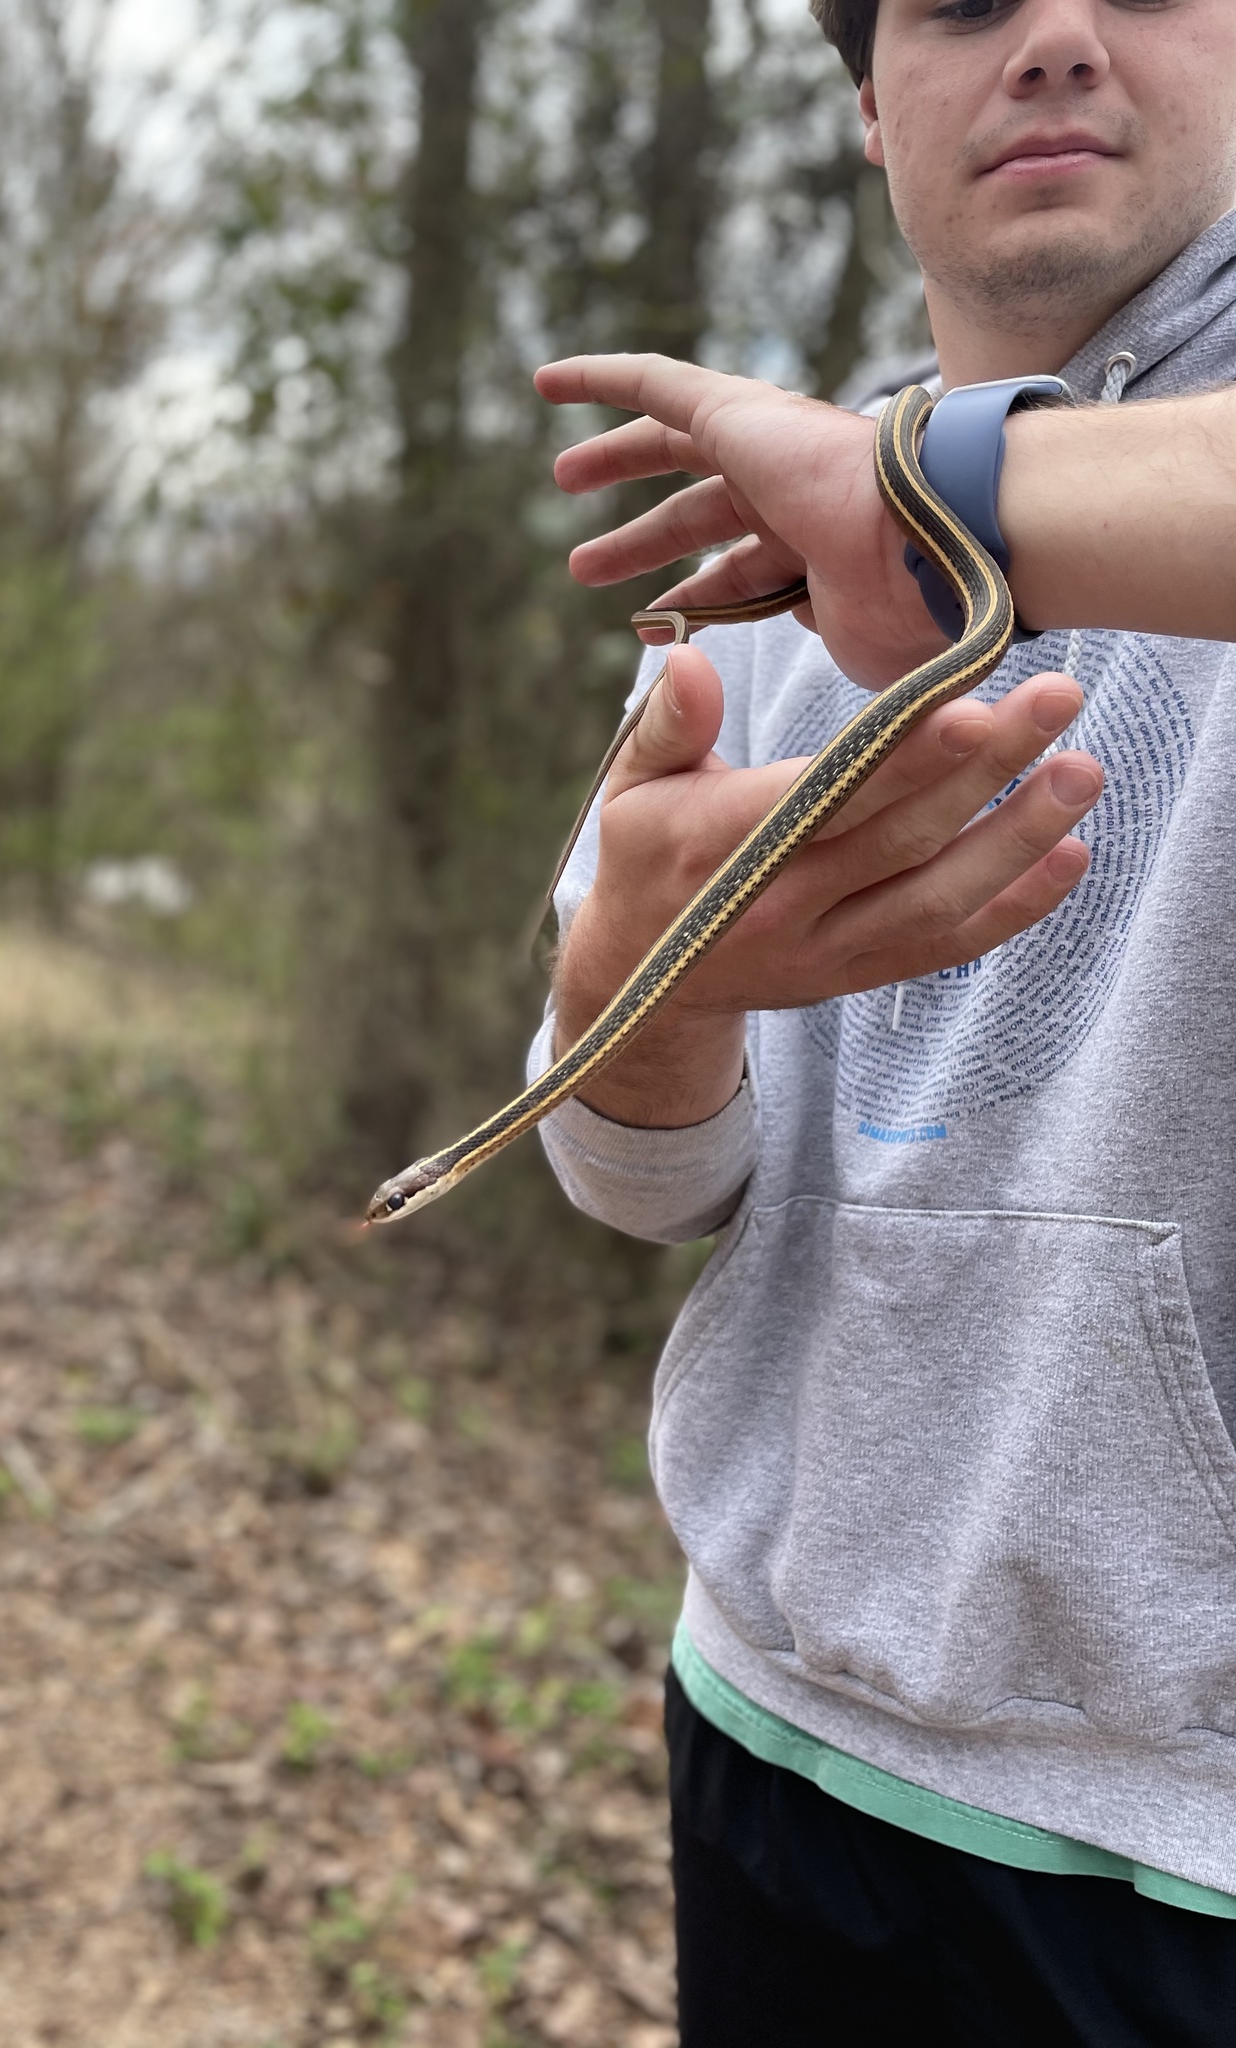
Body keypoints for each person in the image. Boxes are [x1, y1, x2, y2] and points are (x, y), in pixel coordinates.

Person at [524, 2, 1236, 2041]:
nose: (1059, 39)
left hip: (1190, 1861)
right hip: (776, 1730)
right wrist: (638, 983)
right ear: (865, 100)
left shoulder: (853, 487)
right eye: (963, 1)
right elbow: (634, 1180)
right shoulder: (762, 567)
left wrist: (921, 493)